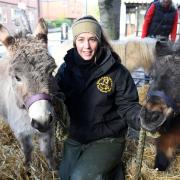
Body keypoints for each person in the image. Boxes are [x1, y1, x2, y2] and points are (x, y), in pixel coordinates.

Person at [55, 15, 141, 180]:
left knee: (80, 177)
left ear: (99, 41)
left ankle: (108, 166)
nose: (86, 46)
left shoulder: (117, 72)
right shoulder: (65, 69)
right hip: (76, 136)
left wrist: (142, 117)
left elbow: (128, 105)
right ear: (75, 42)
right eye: (81, 39)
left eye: (92, 39)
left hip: (108, 137)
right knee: (65, 176)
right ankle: (109, 171)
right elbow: (56, 98)